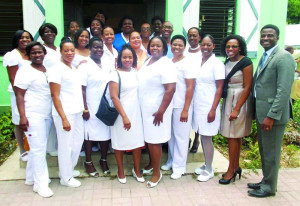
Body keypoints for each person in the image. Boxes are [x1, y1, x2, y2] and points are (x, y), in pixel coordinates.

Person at [248, 24, 295, 198]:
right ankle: (267, 180)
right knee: (265, 151)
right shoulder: (267, 56)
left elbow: (283, 91)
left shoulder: (284, 57)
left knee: (272, 153)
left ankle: (269, 187)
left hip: (272, 116)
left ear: (277, 37)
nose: (265, 38)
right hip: (263, 113)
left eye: (270, 35)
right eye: (263, 35)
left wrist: (271, 116)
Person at [14, 42, 53, 198]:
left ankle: (31, 178)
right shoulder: (24, 71)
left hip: (46, 114)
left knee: (39, 147)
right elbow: (19, 95)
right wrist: (22, 116)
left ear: (44, 54)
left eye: (40, 52)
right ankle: (41, 184)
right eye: (34, 53)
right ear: (29, 55)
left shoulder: (47, 70)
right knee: (38, 149)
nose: (37, 55)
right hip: (32, 115)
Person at [138, 36, 176, 187]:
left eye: (158, 46)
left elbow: (170, 89)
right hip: (145, 107)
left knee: (155, 140)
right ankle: (151, 164)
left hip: (157, 110)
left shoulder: (166, 64)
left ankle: (156, 173)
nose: (154, 48)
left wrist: (161, 111)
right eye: (152, 45)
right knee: (149, 138)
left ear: (164, 48)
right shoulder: (148, 60)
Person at [48, 39, 84, 188]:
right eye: (66, 50)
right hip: (65, 114)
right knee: (65, 146)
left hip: (77, 111)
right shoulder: (56, 69)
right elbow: (55, 96)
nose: (69, 53)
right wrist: (63, 118)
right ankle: (65, 178)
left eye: (72, 50)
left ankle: (69, 169)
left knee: (77, 142)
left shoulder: (72, 68)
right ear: (60, 52)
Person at [219, 35, 253, 184]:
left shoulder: (246, 62)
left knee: (233, 136)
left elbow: (247, 87)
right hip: (229, 99)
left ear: (240, 47)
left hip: (239, 100)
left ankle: (231, 170)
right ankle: (236, 166)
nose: (230, 49)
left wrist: (236, 109)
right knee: (234, 136)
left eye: (234, 46)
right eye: (228, 46)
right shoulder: (228, 62)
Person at [160, 35, 195, 179]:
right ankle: (171, 161)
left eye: (180, 45)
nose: (177, 47)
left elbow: (190, 87)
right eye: (174, 44)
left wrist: (186, 109)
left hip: (182, 105)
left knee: (181, 137)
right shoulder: (168, 62)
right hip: (169, 105)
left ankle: (179, 167)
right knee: (171, 137)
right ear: (170, 45)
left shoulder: (187, 63)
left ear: (184, 47)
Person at [109, 44, 145, 184]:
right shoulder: (115, 73)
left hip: (135, 112)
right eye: (124, 57)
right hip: (121, 114)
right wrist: (124, 116)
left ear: (134, 58)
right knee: (119, 143)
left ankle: (136, 170)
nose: (127, 59)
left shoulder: (135, 72)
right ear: (119, 58)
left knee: (137, 142)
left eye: (130, 57)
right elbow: (114, 97)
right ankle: (120, 170)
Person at [193, 34, 225, 182]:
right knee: (202, 134)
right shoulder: (198, 61)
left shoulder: (217, 64)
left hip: (209, 106)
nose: (205, 47)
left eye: (208, 45)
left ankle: (210, 169)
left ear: (213, 46)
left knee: (206, 138)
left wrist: (213, 109)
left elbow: (219, 89)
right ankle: (206, 165)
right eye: (203, 44)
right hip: (198, 105)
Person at [79, 37, 111, 177]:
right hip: (90, 105)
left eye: (100, 47)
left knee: (105, 133)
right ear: (89, 48)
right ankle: (88, 162)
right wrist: (85, 108)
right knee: (89, 135)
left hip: (104, 104)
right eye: (95, 47)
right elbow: (82, 89)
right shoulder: (84, 66)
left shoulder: (107, 63)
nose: (99, 50)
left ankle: (104, 160)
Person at [3, 30, 33, 162]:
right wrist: (20, 95)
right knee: (19, 120)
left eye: (27, 37)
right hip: (18, 93)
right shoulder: (12, 55)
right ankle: (22, 150)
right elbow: (13, 78)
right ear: (16, 40)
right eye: (22, 38)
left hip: (32, 92)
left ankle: (30, 146)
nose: (25, 39)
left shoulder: (31, 53)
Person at [38, 23, 60, 156]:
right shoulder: (41, 50)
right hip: (48, 88)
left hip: (61, 87)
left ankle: (57, 145)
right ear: (41, 35)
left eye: (52, 31)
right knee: (51, 117)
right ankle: (51, 147)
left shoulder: (58, 49)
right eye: (46, 32)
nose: (49, 34)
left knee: (58, 116)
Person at [186, 27, 205, 153]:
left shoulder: (203, 52)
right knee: (186, 114)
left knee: (197, 115)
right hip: (186, 87)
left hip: (198, 88)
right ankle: (186, 137)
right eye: (190, 35)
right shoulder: (184, 51)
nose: (192, 38)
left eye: (195, 35)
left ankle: (196, 138)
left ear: (199, 37)